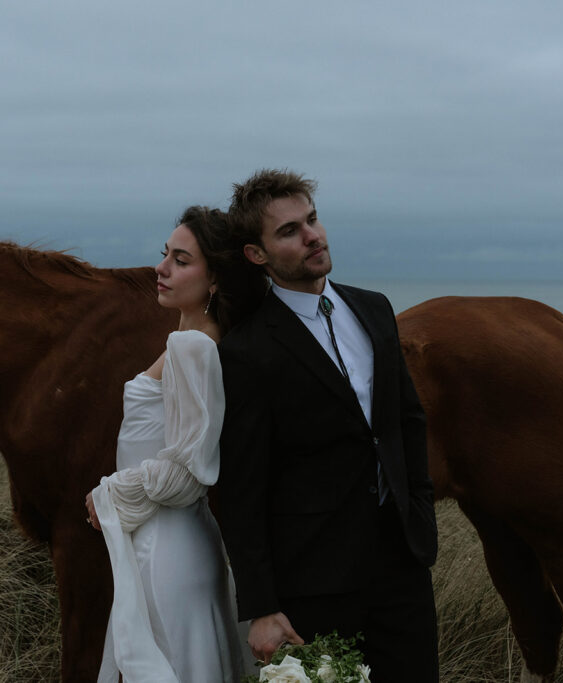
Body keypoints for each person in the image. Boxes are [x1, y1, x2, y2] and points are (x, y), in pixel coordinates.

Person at [217, 170, 439, 681]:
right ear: (258, 255)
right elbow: (241, 490)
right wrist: (262, 606)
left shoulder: (374, 308)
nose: (312, 235)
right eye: (289, 231)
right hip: (312, 585)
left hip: (402, 566)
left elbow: (406, 421)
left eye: (312, 220)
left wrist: (420, 509)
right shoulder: (248, 351)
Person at [85, 207, 265, 682]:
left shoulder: (194, 348)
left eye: (181, 260)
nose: (161, 268)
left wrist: (109, 493)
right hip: (173, 540)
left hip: (167, 547)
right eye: (164, 254)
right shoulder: (187, 339)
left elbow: (189, 472)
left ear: (214, 281)